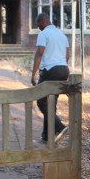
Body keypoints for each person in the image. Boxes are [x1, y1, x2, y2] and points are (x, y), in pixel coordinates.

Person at [31, 12, 70, 143]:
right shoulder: (61, 34)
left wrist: (33, 74)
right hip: (64, 70)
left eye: (38, 24)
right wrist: (61, 68)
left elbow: (40, 53)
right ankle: (47, 136)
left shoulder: (43, 34)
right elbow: (67, 55)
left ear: (42, 21)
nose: (38, 27)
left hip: (50, 71)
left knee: (42, 102)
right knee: (51, 103)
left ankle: (60, 126)